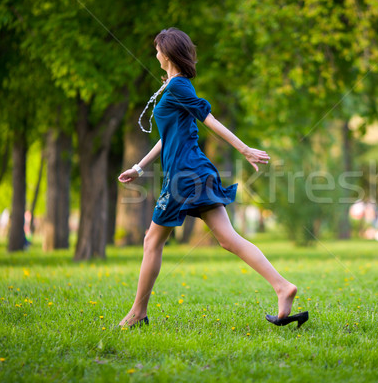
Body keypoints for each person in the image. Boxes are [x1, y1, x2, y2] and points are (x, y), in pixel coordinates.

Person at [118, 28, 308, 328]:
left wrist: (244, 149)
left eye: (157, 49)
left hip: (185, 175)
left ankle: (137, 314)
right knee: (228, 240)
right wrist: (139, 168)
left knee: (151, 241)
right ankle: (283, 287)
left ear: (166, 54)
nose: (154, 54)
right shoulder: (171, 86)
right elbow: (167, 137)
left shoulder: (179, 86)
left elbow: (209, 120)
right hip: (195, 171)